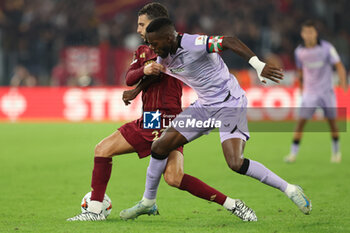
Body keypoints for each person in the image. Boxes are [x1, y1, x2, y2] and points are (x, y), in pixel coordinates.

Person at [67, 3, 255, 222]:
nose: (138, 30)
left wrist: (143, 76)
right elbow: (132, 77)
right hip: (163, 118)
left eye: (142, 24)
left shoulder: (167, 49)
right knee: (174, 178)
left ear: (157, 26)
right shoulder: (145, 50)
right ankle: (233, 204)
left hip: (162, 118)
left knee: (102, 149)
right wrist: (139, 83)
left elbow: (158, 71)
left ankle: (95, 210)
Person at [122, 17, 312, 221]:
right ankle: (148, 202)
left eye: (154, 44)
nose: (152, 48)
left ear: (169, 37)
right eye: (149, 43)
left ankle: (290, 189)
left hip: (230, 104)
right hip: (204, 107)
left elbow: (229, 41)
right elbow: (155, 73)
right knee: (159, 147)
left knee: (235, 163)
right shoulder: (164, 54)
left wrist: (257, 65)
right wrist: (136, 92)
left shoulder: (193, 43)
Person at [284, 20, 347, 163]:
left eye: (311, 32)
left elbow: (339, 65)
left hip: (326, 92)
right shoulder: (299, 52)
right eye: (306, 32)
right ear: (302, 34)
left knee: (332, 123)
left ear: (315, 33)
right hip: (310, 93)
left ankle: (336, 153)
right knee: (301, 122)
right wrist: (300, 88)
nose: (308, 35)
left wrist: (343, 82)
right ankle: (293, 154)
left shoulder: (326, 48)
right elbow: (300, 71)